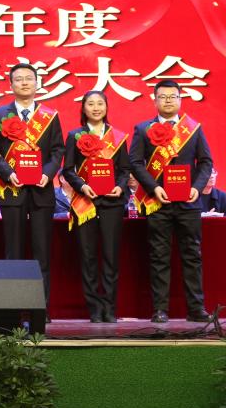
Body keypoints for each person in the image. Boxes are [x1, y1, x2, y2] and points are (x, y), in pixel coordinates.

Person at [130, 79, 214, 324]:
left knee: (192, 255)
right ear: (155, 100)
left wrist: (197, 188)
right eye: (162, 97)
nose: (167, 101)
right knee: (159, 256)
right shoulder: (143, 129)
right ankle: (160, 310)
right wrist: (154, 187)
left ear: (180, 99)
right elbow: (135, 162)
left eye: (172, 96)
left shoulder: (193, 128)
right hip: (158, 202)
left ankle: (196, 308)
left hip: (188, 203)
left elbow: (205, 162)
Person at [0, 63, 65, 307]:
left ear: (37, 83)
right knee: (14, 252)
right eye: (19, 79)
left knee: (42, 253)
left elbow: (58, 150)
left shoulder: (49, 116)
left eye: (29, 78)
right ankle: (14, 306)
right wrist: (8, 174)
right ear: (11, 85)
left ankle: (41, 307)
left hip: (42, 191)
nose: (24, 82)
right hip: (12, 190)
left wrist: (47, 174)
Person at [62, 90, 131, 323]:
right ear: (83, 108)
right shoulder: (74, 136)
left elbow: (124, 169)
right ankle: (94, 308)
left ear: (106, 107)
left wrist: (120, 186)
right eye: (90, 104)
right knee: (88, 256)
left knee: (111, 256)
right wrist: (82, 186)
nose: (96, 108)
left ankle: (109, 308)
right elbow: (68, 170)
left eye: (100, 103)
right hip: (85, 202)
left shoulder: (117, 136)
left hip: (112, 202)